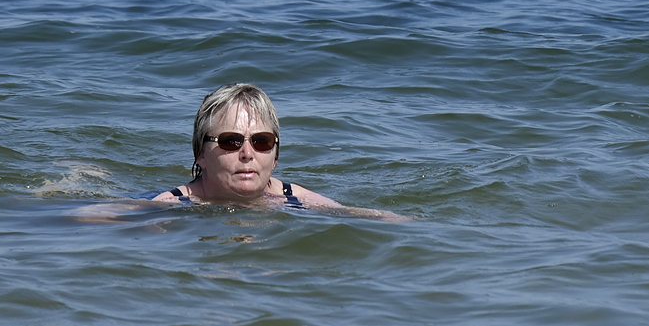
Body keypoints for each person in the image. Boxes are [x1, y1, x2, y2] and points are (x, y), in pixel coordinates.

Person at [74, 83, 409, 222]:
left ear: (275, 156)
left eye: (261, 141)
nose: (247, 153)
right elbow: (85, 216)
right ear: (201, 155)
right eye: (231, 141)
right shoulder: (170, 206)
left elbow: (363, 216)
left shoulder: (293, 197)